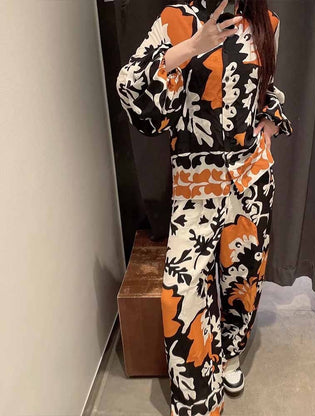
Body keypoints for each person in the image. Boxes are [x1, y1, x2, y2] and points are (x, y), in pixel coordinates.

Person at [116, 0, 293, 414]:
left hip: (251, 177)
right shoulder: (174, 19)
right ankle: (199, 403)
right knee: (181, 294)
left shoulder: (267, 23)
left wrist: (272, 117)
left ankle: (229, 354)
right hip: (196, 183)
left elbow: (265, 86)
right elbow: (131, 89)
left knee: (244, 278)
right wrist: (193, 46)